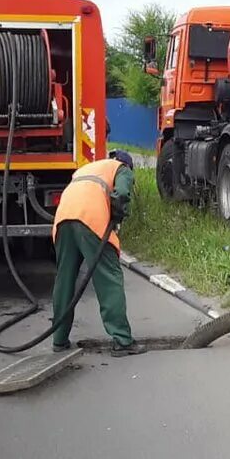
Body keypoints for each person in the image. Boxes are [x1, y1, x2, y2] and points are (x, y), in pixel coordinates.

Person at [50, 149, 144, 357]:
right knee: (109, 278)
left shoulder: (87, 169)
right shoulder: (122, 169)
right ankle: (122, 340)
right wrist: (118, 215)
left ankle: (59, 339)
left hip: (63, 220)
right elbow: (122, 194)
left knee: (65, 280)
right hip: (91, 220)